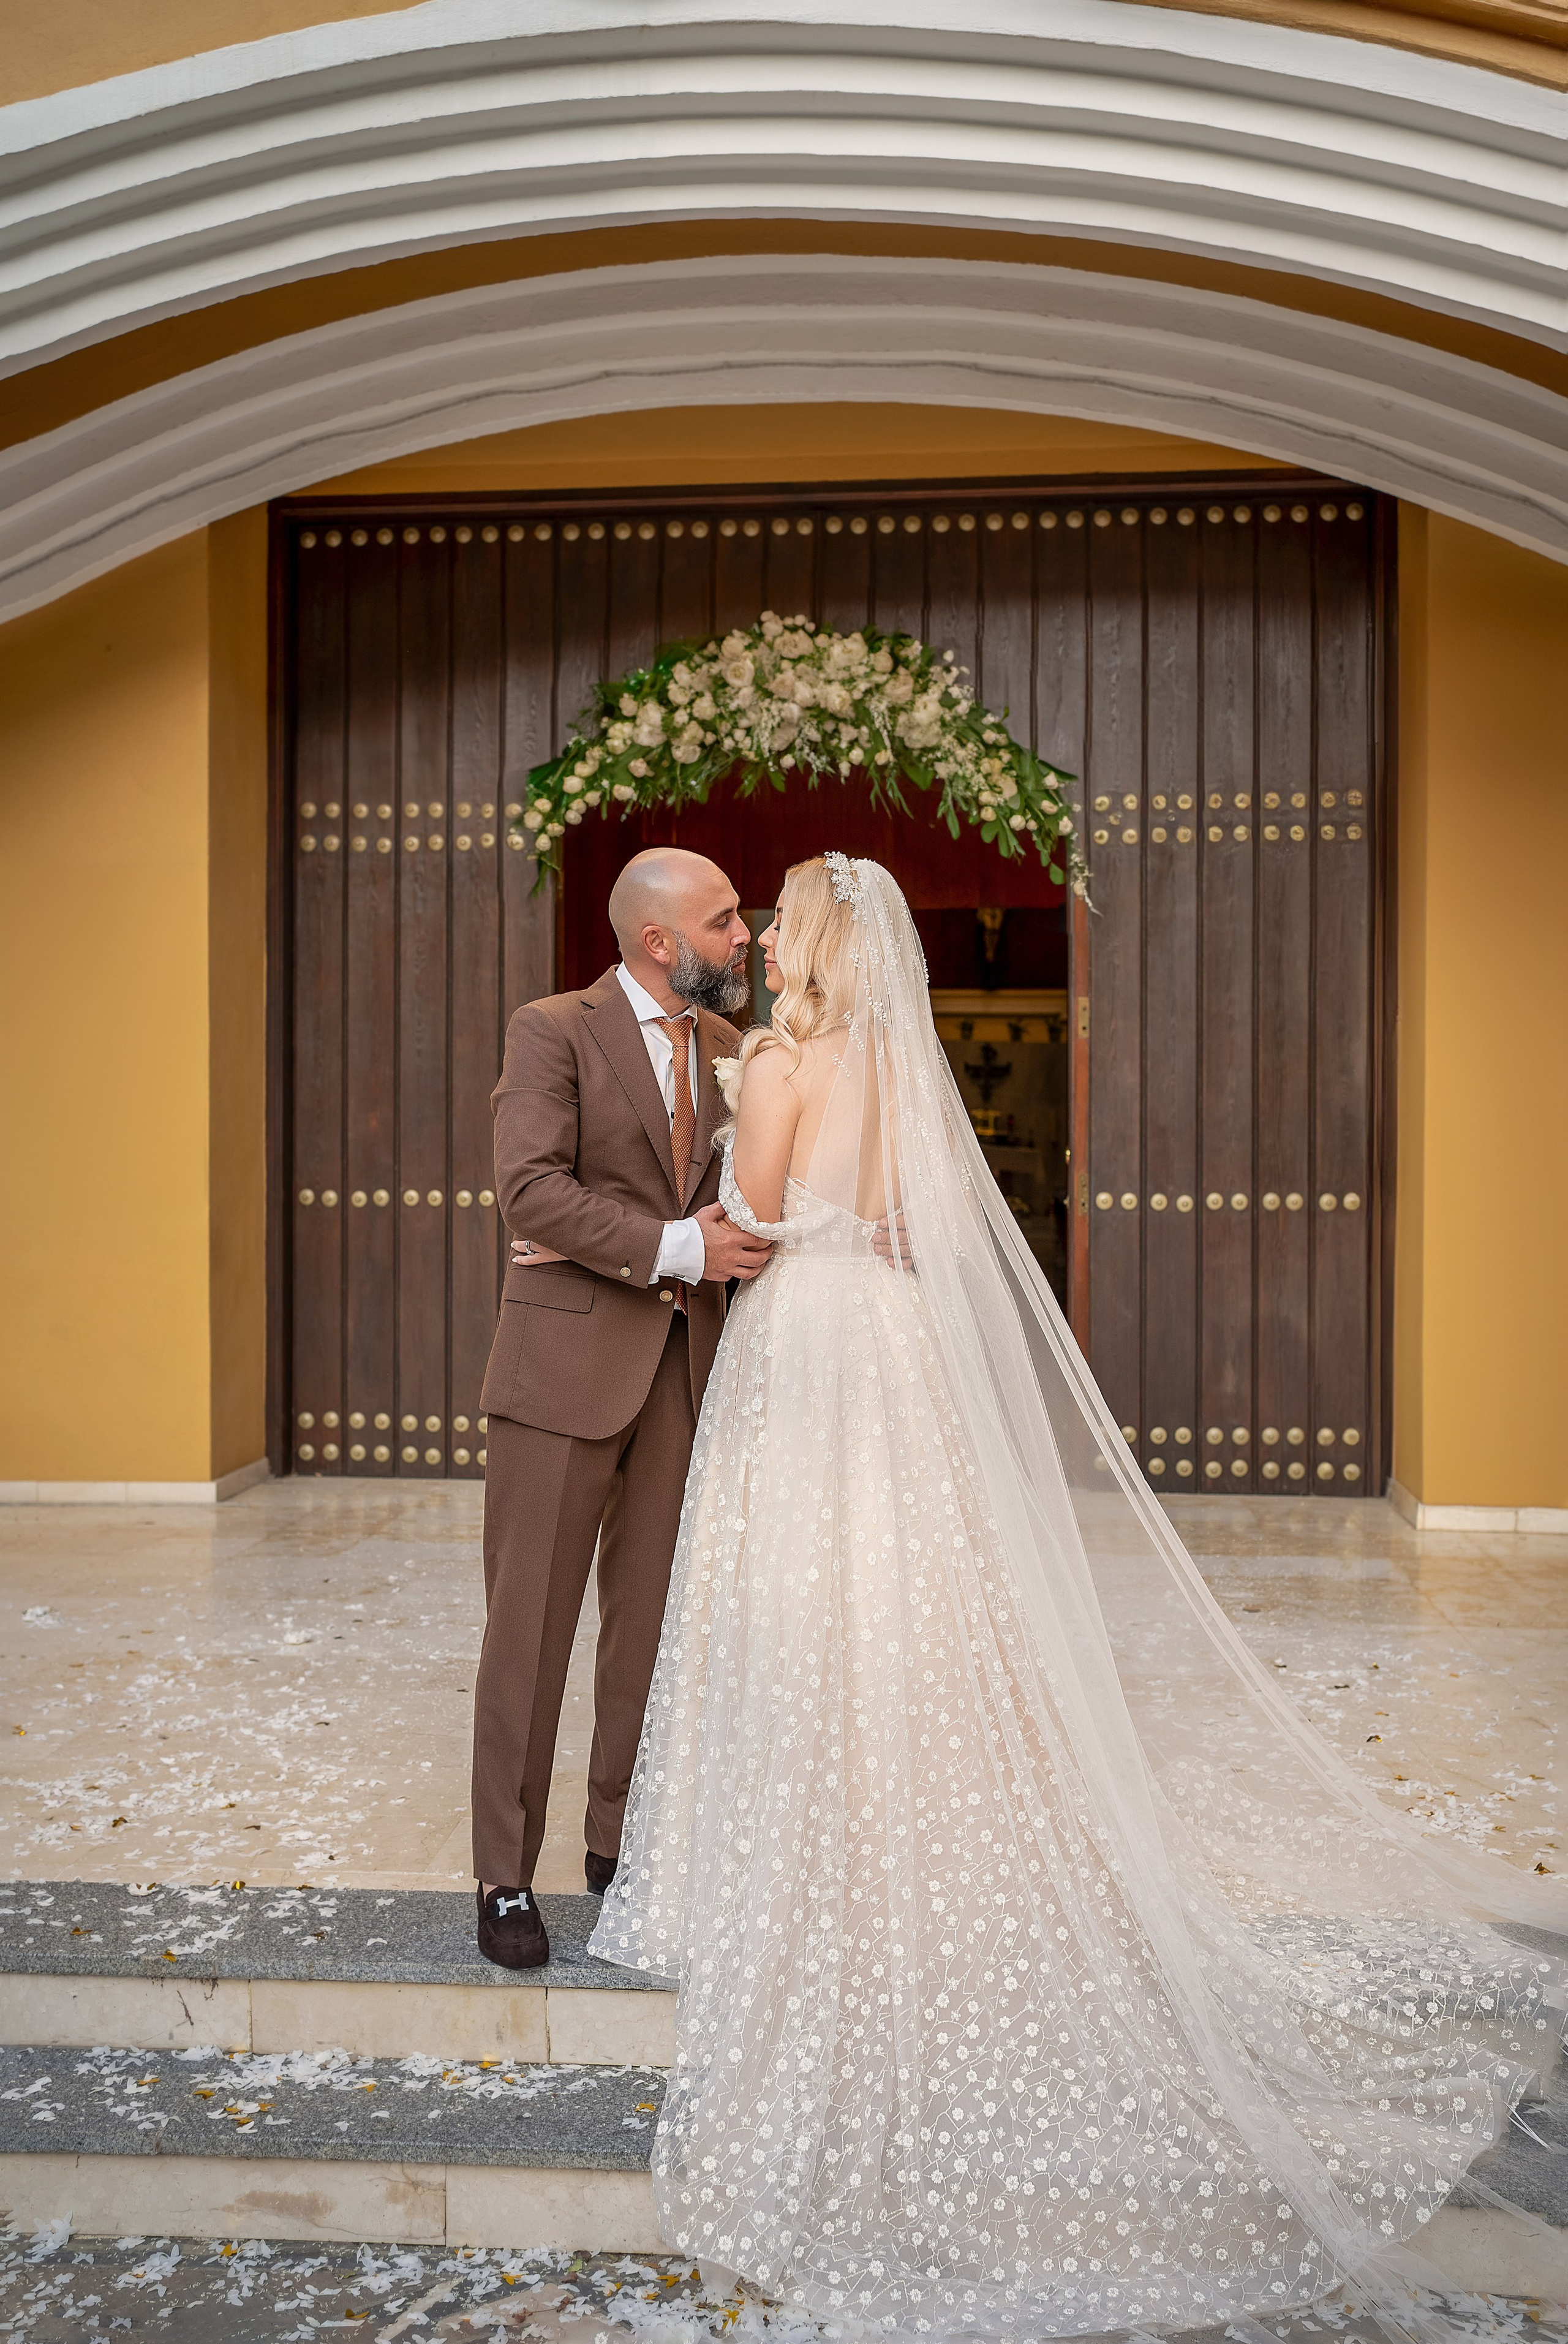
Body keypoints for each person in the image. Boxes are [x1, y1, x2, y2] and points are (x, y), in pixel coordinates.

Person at [590, 853, 1568, 2340]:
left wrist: (740, 1140)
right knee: (906, 1590)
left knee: (800, 1590)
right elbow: (921, 1222)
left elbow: (758, 1217)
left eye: (779, 916)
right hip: (897, 1345)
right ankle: (923, 1795)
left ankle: (812, 1816)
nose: (768, 935)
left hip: (805, 1339)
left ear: (818, 944)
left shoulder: (782, 1064)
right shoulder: (899, 1064)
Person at [471, 847, 771, 1970]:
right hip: (561, 1377)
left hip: (688, 1378)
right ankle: (503, 1875)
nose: (744, 936)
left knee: (648, 1632)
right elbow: (531, 1188)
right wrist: (675, 1245)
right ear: (661, 942)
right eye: (724, 920)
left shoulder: (740, 1052)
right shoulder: (551, 1029)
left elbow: (759, 1201)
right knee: (531, 1631)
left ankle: (617, 1847)